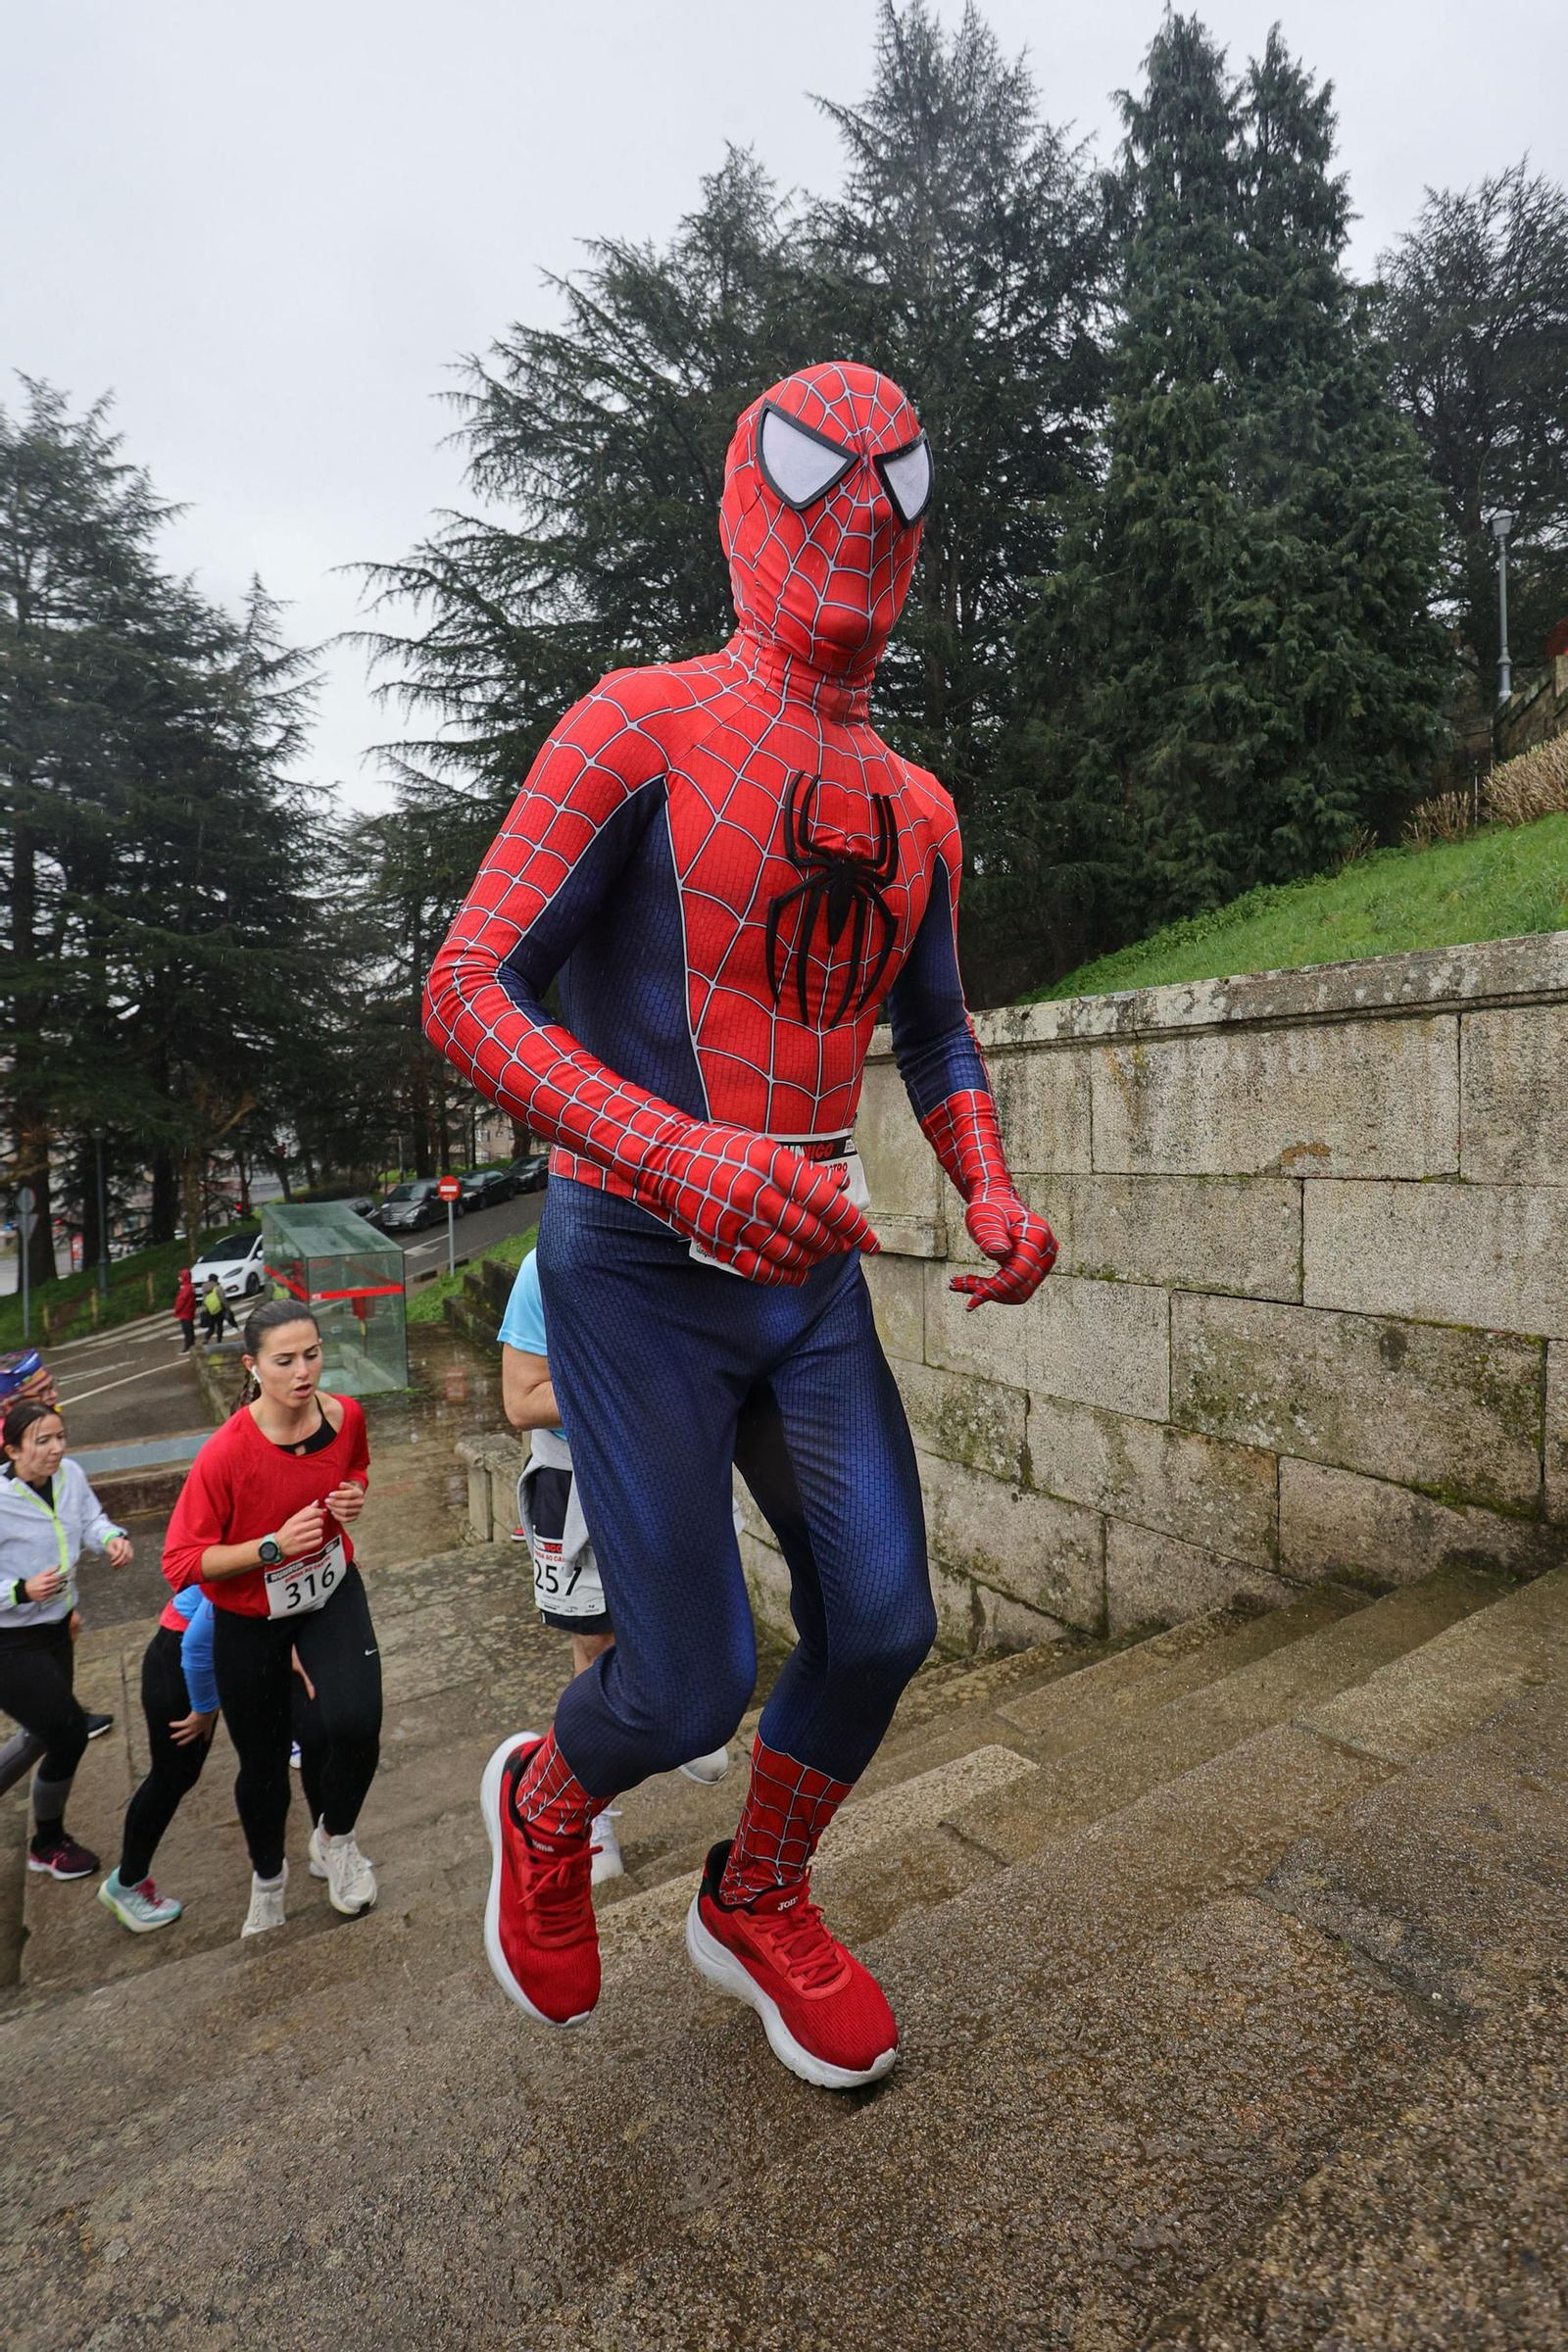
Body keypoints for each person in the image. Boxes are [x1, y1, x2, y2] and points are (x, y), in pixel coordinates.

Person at [426, 363, 1056, 2089]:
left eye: (896, 482)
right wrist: (674, 1154)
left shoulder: (921, 805)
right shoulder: (635, 724)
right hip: (633, 1269)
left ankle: (756, 1893)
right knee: (688, 1683)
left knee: (887, 1623)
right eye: (812, 468)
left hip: (805, 1275)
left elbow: (935, 1026)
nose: (858, 511)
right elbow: (470, 985)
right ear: (741, 495)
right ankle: (545, 1801)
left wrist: (991, 1186)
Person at [499, 1246, 729, 1886]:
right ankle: (585, 1810)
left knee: (691, 1596)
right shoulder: (544, 1267)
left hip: (670, 1461)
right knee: (597, 1644)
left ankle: (681, 1710)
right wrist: (629, 1391)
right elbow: (521, 1402)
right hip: (579, 1476)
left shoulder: (688, 1253)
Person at [162, 1300, 381, 1936]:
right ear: (252, 1366)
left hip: (330, 1591)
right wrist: (270, 1547)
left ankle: (336, 1839)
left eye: (311, 1354)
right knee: (262, 1765)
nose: (302, 1371)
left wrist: (355, 1493)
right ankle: (267, 1881)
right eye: (284, 1361)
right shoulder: (225, 1454)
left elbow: (357, 1466)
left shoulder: (345, 1415)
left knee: (357, 1722)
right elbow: (181, 1562)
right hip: (250, 1618)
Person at [0, 1399, 132, 1881]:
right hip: (8, 1640)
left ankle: (48, 1839)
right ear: (13, 1450)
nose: (56, 1449)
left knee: (44, 1732)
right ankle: (47, 1842)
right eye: (43, 1441)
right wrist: (19, 1590)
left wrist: (110, 1538)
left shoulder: (70, 1475)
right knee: (68, 1732)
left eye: (60, 1437)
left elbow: (91, 1519)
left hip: (55, 1627)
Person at [97, 1586, 219, 1932]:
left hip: (185, 1660)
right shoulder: (244, 1564)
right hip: (181, 1664)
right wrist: (204, 1708)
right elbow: (196, 1642)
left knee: (178, 1776)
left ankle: (130, 1878)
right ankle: (127, 1883)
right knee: (170, 1778)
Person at [201, 1275, 236, 1345]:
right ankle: (219, 1341)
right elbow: (223, 1299)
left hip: (209, 1311)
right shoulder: (218, 1288)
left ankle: (206, 1338)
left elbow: (204, 1301)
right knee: (219, 1326)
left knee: (211, 1327)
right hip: (219, 1310)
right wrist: (228, 1309)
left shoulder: (204, 1289)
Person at [172, 1267, 197, 1354]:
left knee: (187, 1330)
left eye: (181, 1276)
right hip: (189, 1312)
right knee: (189, 1329)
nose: (179, 1278)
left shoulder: (186, 1288)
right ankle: (191, 1345)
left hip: (185, 1312)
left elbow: (181, 1301)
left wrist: (177, 1310)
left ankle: (188, 1346)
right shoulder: (190, 1287)